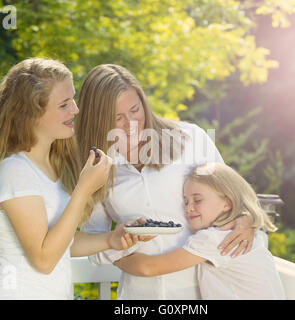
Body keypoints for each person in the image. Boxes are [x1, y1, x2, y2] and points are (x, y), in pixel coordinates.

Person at [0, 58, 147, 300]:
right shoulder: (15, 171)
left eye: (73, 100)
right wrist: (84, 189)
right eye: (64, 105)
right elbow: (44, 258)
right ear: (32, 114)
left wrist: (111, 239)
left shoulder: (48, 165)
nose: (75, 110)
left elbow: (60, 242)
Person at [75, 64, 257, 299]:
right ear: (99, 120)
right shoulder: (97, 167)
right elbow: (95, 245)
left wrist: (245, 220)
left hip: (203, 292)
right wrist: (124, 245)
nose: (130, 124)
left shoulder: (190, 139)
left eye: (135, 110)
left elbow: (236, 199)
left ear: (143, 103)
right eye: (117, 117)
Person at [115, 162, 286, 300]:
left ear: (227, 203)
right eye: (186, 201)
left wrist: (115, 257)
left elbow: (148, 268)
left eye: (197, 200)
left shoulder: (215, 239)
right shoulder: (255, 234)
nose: (189, 208)